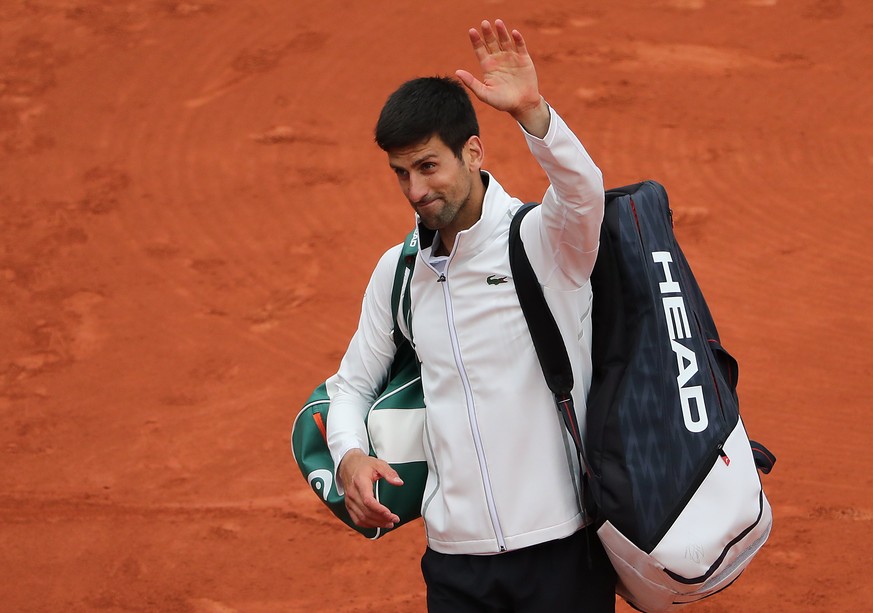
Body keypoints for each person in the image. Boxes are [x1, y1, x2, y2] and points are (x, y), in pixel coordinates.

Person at [326, 19, 616, 611]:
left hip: (561, 549)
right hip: (455, 564)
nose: (414, 190)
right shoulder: (399, 273)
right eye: (400, 174)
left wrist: (533, 112)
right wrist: (349, 453)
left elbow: (585, 191)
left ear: (473, 152)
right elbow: (350, 384)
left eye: (428, 167)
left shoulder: (544, 242)